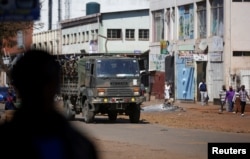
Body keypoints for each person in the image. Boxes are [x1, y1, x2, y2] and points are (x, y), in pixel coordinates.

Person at [0, 49, 99, 159]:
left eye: (41, 82)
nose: (37, 90)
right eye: (32, 84)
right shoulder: (79, 145)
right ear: (56, 85)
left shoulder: (5, 140)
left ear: (17, 86)